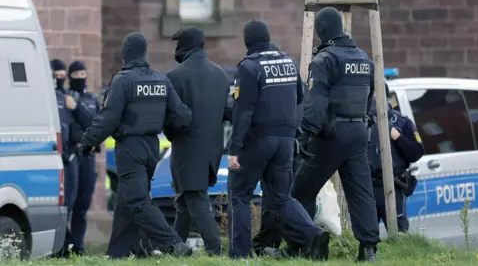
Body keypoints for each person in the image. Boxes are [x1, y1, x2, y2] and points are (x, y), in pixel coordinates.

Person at [78, 32, 193, 259]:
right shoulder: (161, 79)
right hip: (152, 147)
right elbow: (182, 116)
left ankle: (174, 245)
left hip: (130, 146)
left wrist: (88, 142)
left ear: (126, 53)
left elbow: (108, 117)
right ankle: (118, 254)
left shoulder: (124, 80)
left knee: (137, 200)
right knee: (126, 202)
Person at [227, 20, 328, 260]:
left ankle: (240, 255)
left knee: (239, 193)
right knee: (280, 196)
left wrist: (234, 148)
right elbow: (301, 96)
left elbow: (243, 112)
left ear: (247, 42)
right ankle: (312, 235)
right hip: (285, 141)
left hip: (258, 140)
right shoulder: (288, 62)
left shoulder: (249, 67)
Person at [290, 7, 380, 262]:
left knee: (301, 190)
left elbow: (315, 103)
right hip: (359, 131)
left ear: (322, 31)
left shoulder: (323, 61)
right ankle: (368, 248)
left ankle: (304, 244)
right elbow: (370, 99)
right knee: (360, 191)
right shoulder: (364, 58)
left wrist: (306, 134)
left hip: (331, 135)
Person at [164, 26, 228, 256]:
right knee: (185, 201)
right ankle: (176, 247)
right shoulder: (220, 74)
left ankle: (215, 249)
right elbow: (226, 112)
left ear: (184, 46)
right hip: (213, 149)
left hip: (187, 149)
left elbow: (169, 118)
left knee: (195, 197)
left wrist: (172, 136)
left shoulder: (175, 76)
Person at [251, 42, 308, 255]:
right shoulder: (292, 79)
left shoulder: (269, 87)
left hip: (281, 147)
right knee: (278, 196)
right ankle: (269, 243)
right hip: (291, 146)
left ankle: (296, 238)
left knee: (276, 197)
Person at [367, 84, 423, 233]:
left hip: (393, 186)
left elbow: (416, 152)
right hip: (366, 186)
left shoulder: (400, 121)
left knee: (399, 235)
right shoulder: (360, 121)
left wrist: (398, 138)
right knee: (365, 234)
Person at [66, 60, 101, 255]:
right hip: (71, 154)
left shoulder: (90, 98)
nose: (80, 78)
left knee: (84, 202)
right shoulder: (64, 97)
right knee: (69, 201)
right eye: (76, 75)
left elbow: (95, 124)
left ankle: (78, 246)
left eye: (83, 75)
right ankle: (65, 244)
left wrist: (77, 107)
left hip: (88, 154)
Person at [50, 59, 78, 258]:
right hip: (52, 154)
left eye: (62, 77)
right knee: (57, 202)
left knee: (70, 202)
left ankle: (67, 245)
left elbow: (79, 125)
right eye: (56, 77)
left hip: (69, 156)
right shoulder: (46, 97)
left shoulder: (67, 97)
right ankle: (59, 246)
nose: (60, 80)